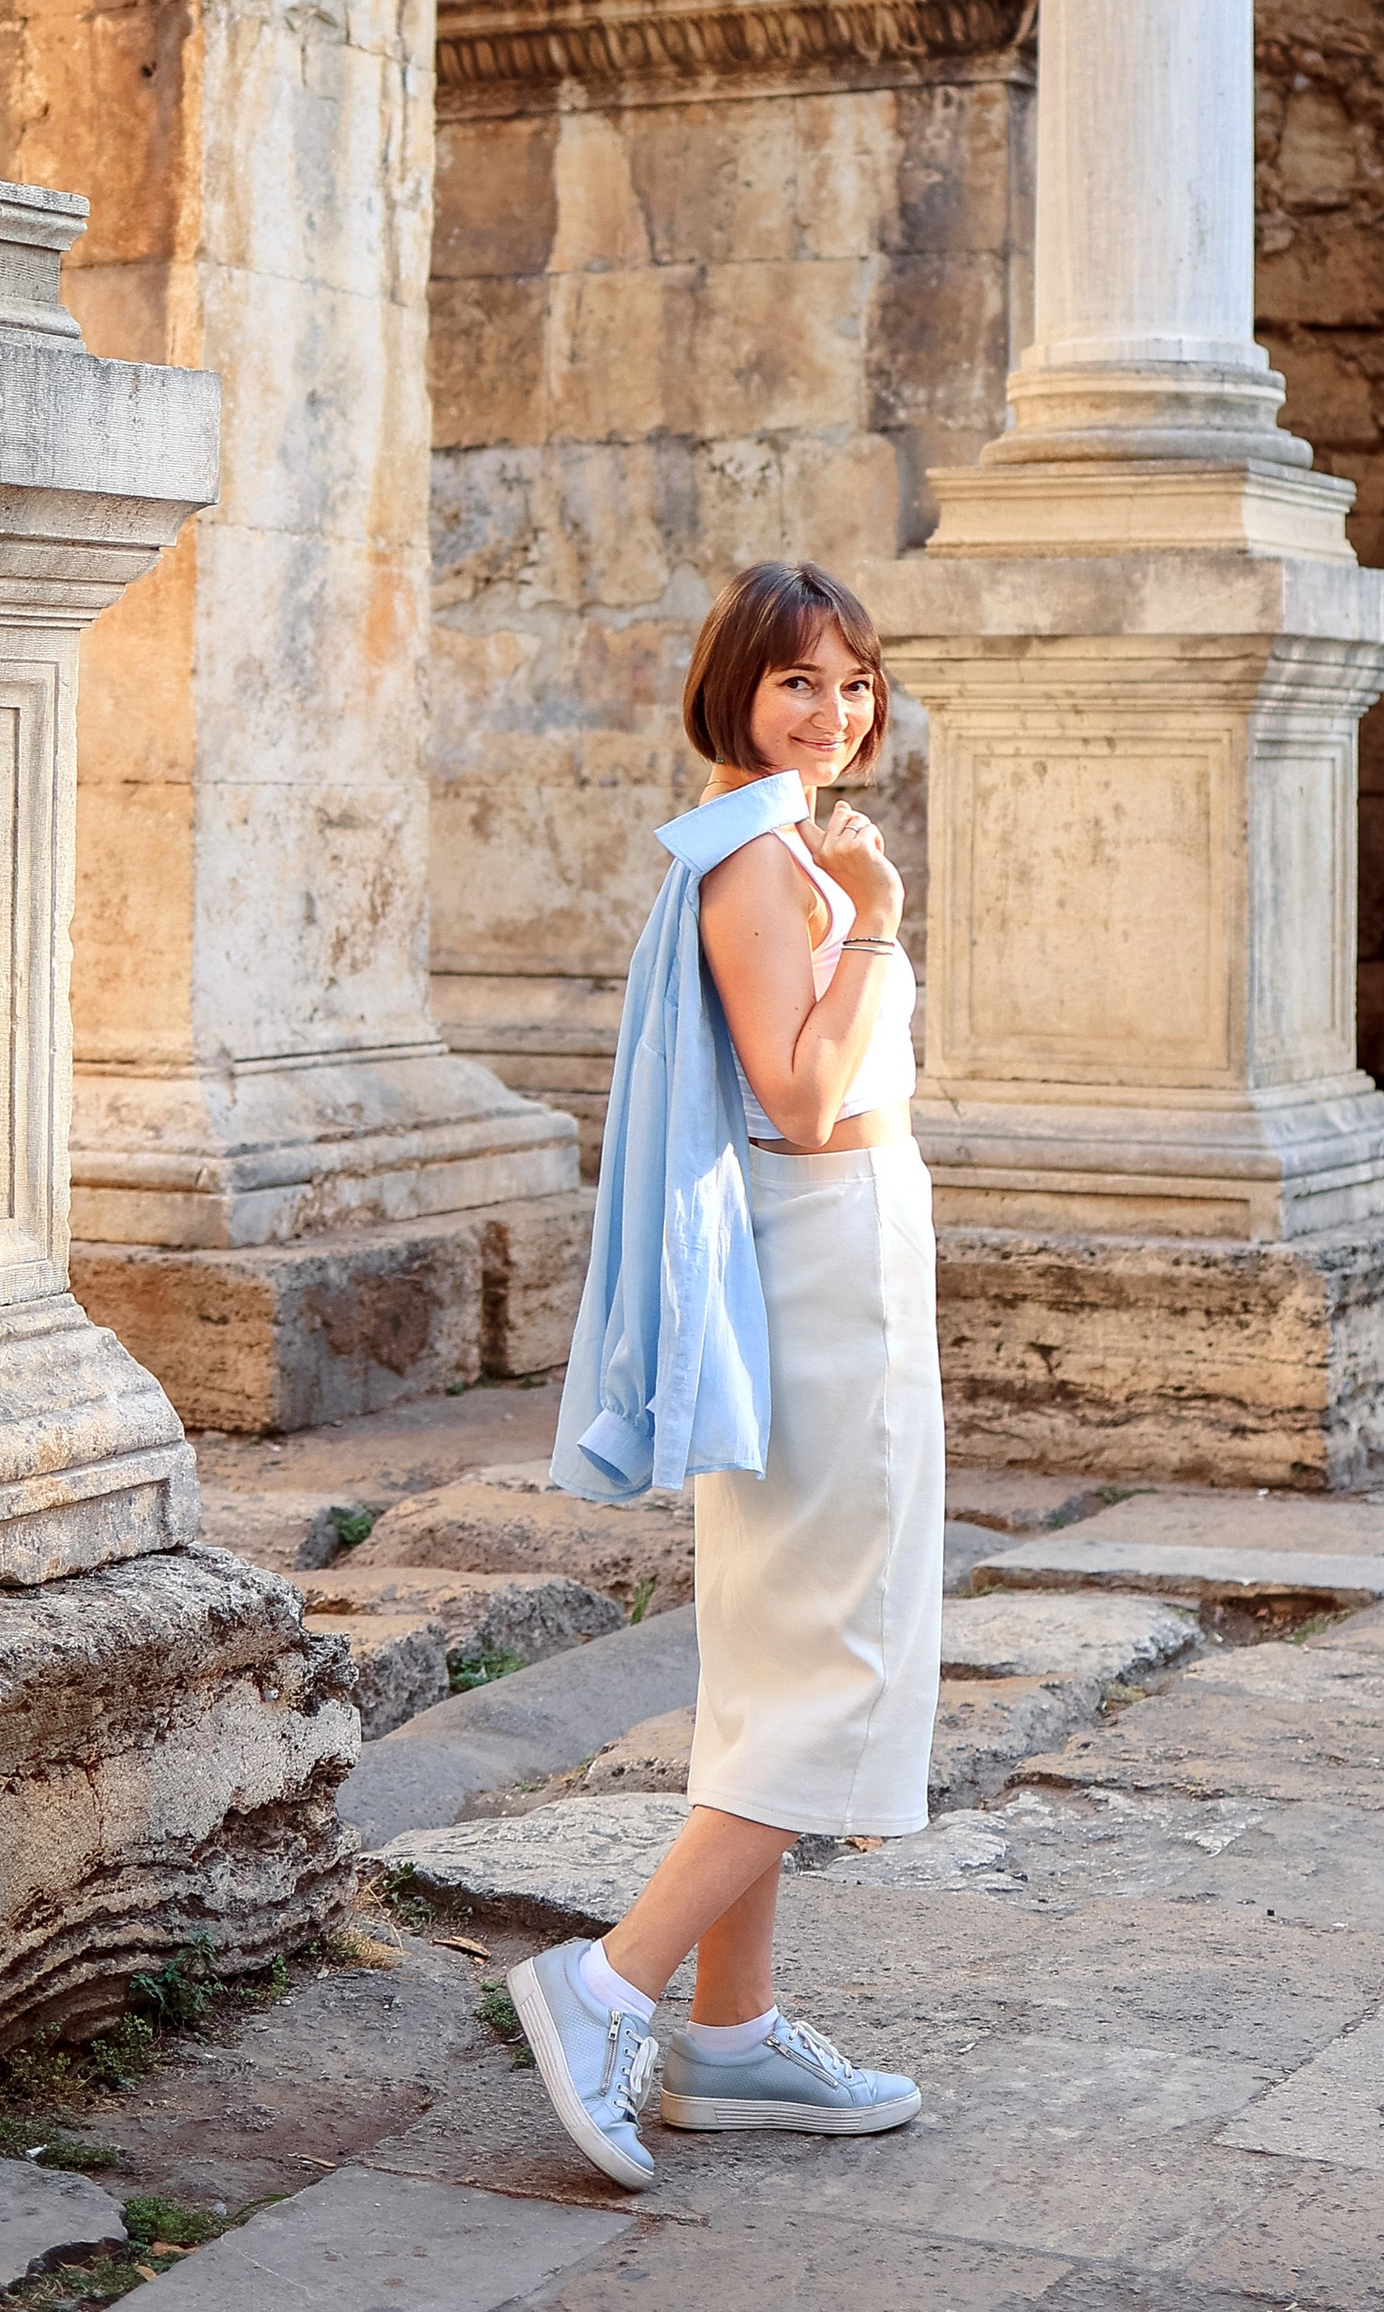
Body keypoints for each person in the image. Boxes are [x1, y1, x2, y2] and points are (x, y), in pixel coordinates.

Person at [506, 559, 942, 2190]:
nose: (836, 715)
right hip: (823, 1264)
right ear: (733, 697)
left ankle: (737, 2038)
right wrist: (883, 926)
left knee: (777, 1657)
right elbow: (811, 1097)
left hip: (837, 1254)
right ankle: (606, 1983)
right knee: (834, 1654)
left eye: (855, 684)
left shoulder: (774, 844)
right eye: (797, 687)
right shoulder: (763, 863)